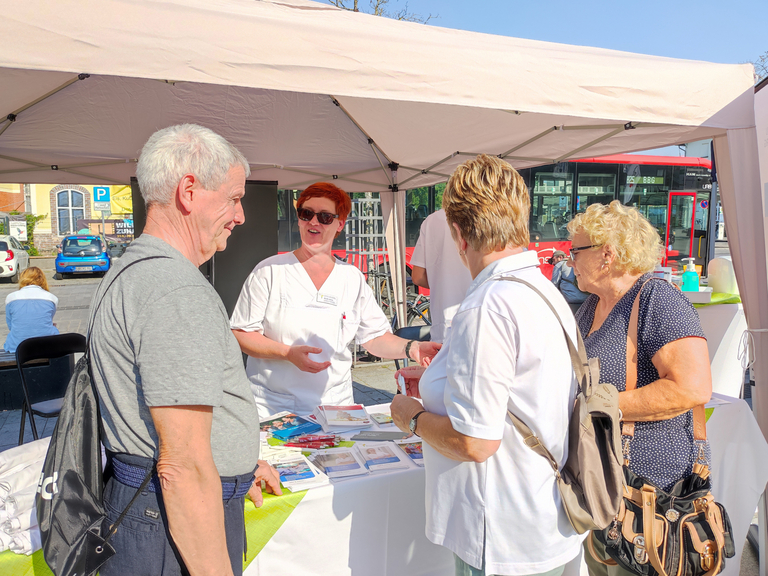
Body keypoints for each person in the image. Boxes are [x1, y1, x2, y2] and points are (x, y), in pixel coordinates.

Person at [89, 124, 281, 576]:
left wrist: (236, 458)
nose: (241, 215)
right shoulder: (174, 289)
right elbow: (183, 466)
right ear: (189, 192)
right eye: (234, 198)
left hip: (148, 510)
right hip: (165, 522)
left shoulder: (135, 268)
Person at [390, 154, 583, 576]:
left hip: (501, 532)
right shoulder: (542, 288)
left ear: (458, 233)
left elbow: (475, 442)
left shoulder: (488, 305)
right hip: (538, 514)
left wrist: (413, 416)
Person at [566, 200, 711, 576]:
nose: (569, 260)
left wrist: (602, 406)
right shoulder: (592, 306)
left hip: (651, 493)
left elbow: (692, 388)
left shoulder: (658, 300)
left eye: (576, 250)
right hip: (606, 487)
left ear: (607, 255)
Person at [230, 182, 441, 418]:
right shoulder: (269, 271)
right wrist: (286, 353)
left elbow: (374, 337)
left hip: (335, 408)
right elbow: (241, 332)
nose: (314, 222)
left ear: (340, 223)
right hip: (274, 408)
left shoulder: (351, 278)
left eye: (325, 217)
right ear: (298, 219)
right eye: (306, 213)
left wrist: (413, 348)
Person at [410, 209, 472, 343]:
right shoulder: (488, 217)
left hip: (443, 326)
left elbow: (417, 276)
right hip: (478, 327)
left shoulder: (431, 221)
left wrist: (444, 285)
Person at [3, 267, 59, 354]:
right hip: (47, 345)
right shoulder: (51, 298)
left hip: (17, 346)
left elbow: (10, 326)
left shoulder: (11, 298)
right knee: (53, 328)